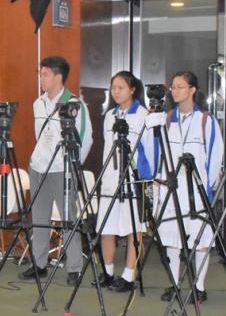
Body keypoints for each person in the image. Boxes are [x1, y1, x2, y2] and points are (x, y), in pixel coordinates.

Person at [18, 56, 93, 287]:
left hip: (63, 169)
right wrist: (37, 158)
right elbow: (39, 136)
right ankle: (39, 264)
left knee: (68, 219)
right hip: (39, 167)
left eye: (45, 74)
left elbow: (86, 138)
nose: (41, 78)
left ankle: (74, 267)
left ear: (58, 76)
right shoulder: (38, 103)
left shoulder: (75, 104)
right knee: (39, 218)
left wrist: (72, 164)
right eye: (40, 74)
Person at [155, 71, 223, 303]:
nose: (175, 91)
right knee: (172, 239)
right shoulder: (167, 119)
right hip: (171, 189)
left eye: (180, 87)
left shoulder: (205, 120)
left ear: (193, 90)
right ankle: (174, 284)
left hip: (196, 190)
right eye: (173, 87)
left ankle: (199, 287)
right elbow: (161, 156)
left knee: (201, 239)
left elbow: (215, 156)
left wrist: (207, 187)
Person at [94, 71, 154, 292]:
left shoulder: (143, 116)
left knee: (133, 230)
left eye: (121, 88)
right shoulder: (110, 115)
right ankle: (108, 273)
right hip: (110, 180)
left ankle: (129, 276)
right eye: (113, 88)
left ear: (132, 90)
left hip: (133, 182)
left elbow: (150, 151)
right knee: (106, 228)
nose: (116, 92)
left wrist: (147, 180)